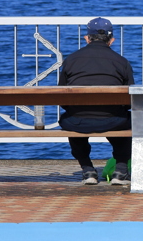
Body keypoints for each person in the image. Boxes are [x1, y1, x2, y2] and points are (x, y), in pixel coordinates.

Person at [58, 17, 135, 185]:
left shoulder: (71, 60)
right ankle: (120, 171)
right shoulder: (122, 62)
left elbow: (62, 97)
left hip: (78, 122)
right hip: (112, 121)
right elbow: (130, 101)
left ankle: (87, 170)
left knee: (70, 119)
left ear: (87, 38)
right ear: (112, 40)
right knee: (128, 121)